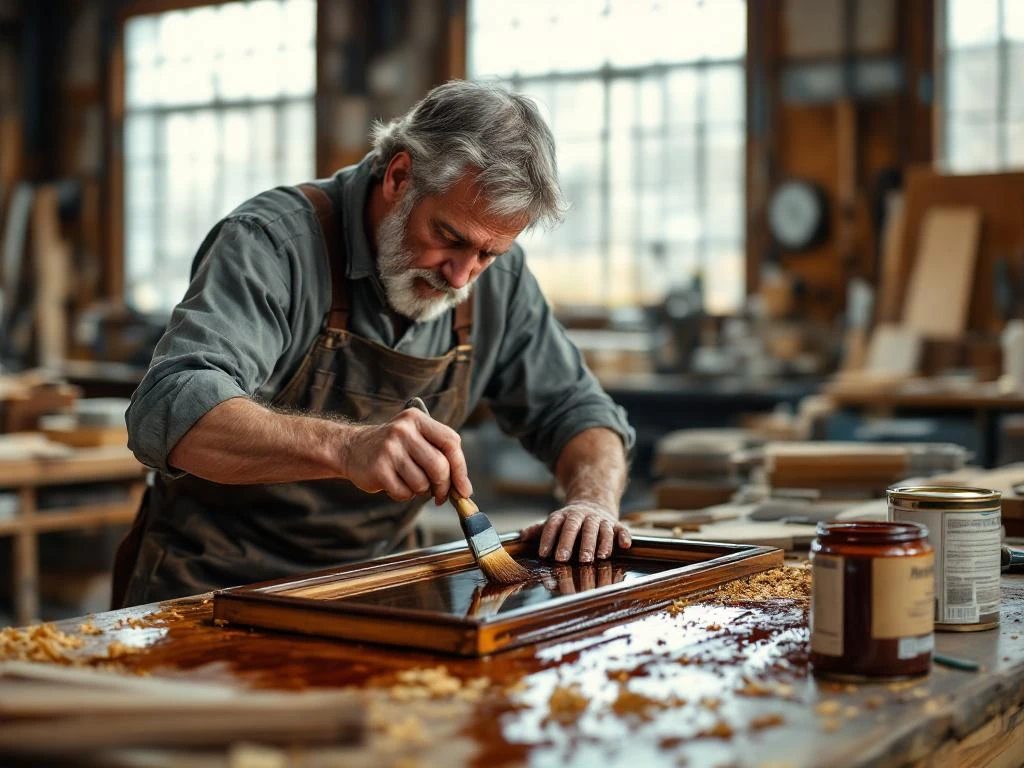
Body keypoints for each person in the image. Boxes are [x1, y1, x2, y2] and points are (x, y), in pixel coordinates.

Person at [113, 81, 635, 607]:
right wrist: (346, 447)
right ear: (400, 176)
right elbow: (171, 409)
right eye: (449, 238)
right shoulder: (273, 242)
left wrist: (593, 502)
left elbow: (578, 410)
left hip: (379, 587)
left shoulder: (496, 280)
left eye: (487, 254)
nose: (461, 278)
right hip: (215, 588)